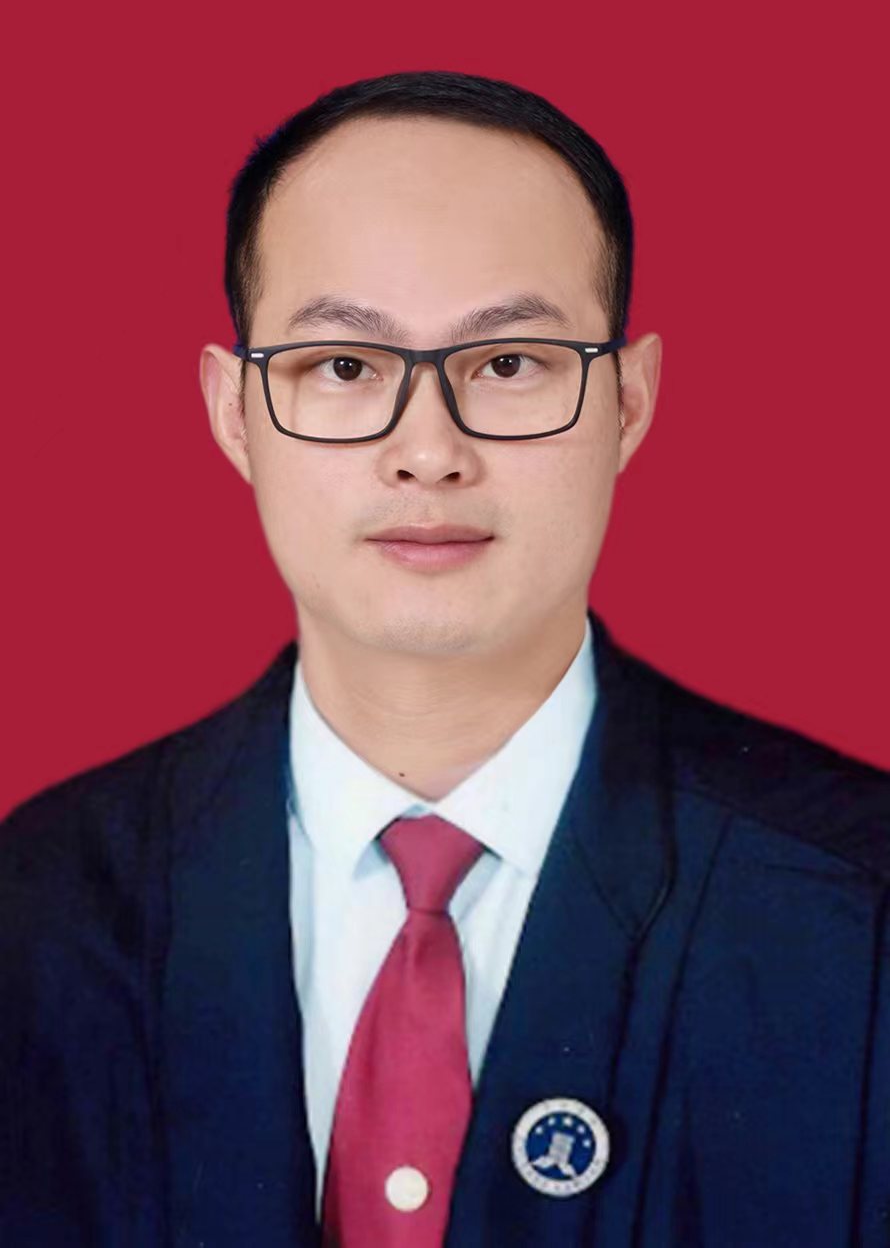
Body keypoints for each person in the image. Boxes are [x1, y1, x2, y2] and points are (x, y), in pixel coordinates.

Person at [1, 69, 888, 1248]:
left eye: (509, 363)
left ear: (627, 401)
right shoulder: (37, 912)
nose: (428, 450)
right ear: (232, 411)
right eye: (344, 367)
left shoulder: (858, 908)